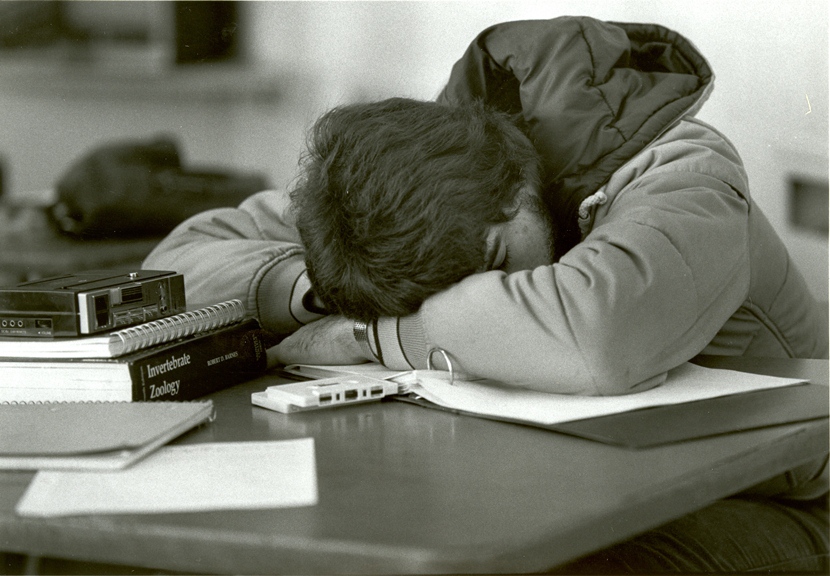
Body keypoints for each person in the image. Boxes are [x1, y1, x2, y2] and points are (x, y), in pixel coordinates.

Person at [144, 16, 828, 572]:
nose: (490, 299)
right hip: (575, 477)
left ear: (510, 185)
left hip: (778, 501)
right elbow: (171, 273)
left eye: (496, 263)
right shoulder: (410, 177)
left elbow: (596, 338)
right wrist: (322, 290)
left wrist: (372, 334)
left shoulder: (681, 169)